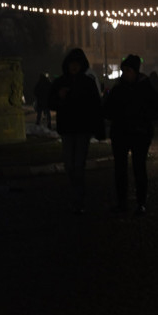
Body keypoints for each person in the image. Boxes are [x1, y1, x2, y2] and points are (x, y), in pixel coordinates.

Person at [102, 54, 158, 216]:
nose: (125, 74)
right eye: (124, 70)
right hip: (121, 133)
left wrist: (143, 117)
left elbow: (157, 109)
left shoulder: (146, 87)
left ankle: (141, 202)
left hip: (139, 133)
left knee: (139, 168)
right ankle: (122, 202)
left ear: (135, 71)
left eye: (128, 70)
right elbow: (107, 109)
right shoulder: (118, 88)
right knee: (120, 169)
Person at [47, 48, 106, 213]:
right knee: (69, 165)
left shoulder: (87, 83)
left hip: (82, 129)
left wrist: (98, 128)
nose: (74, 67)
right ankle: (76, 194)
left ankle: (78, 198)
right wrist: (60, 97)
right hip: (67, 129)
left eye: (76, 64)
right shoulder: (60, 82)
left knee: (78, 165)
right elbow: (50, 102)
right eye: (71, 64)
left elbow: (95, 106)